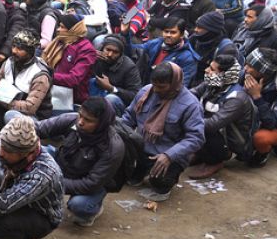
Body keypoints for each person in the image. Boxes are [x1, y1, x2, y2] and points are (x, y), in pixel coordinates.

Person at [123, 62, 204, 202]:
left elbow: (196, 138)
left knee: (160, 181)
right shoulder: (145, 92)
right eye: (154, 84)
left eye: (161, 87)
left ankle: (164, 182)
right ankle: (138, 170)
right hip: (142, 146)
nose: (155, 90)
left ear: (174, 84)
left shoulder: (190, 104)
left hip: (167, 154)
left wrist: (169, 155)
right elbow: (129, 117)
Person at [36, 97, 123, 227]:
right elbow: (38, 128)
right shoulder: (72, 119)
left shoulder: (113, 148)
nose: (80, 122)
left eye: (88, 120)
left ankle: (94, 208)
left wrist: (53, 183)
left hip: (90, 183)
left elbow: (90, 184)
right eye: (80, 115)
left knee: (78, 205)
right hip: (64, 165)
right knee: (34, 149)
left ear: (102, 123)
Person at [187, 53, 255, 178]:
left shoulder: (237, 98)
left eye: (212, 69)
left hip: (229, 139)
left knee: (202, 127)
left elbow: (214, 124)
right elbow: (191, 94)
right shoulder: (212, 84)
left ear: (225, 75)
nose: (207, 70)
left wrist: (186, 120)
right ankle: (200, 153)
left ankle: (215, 161)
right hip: (215, 129)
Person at [243, 48, 277, 167]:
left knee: (261, 138)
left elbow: (272, 122)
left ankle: (262, 153)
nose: (245, 69)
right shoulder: (247, 74)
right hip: (251, 117)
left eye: (250, 66)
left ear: (263, 72)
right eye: (246, 64)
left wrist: (257, 96)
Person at [0, 30, 52, 127]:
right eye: (13, 46)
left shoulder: (40, 74)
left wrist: (4, 101)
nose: (14, 51)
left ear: (30, 51)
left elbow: (30, 108)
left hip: (34, 118)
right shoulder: (9, 62)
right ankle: (5, 130)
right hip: (10, 103)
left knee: (11, 115)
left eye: (20, 48)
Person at [43, 14, 97, 107]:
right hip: (50, 91)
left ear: (73, 29)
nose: (58, 29)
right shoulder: (59, 42)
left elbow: (74, 79)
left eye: (62, 27)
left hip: (72, 99)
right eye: (59, 26)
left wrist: (47, 75)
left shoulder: (86, 49)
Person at [132, 17, 201, 87]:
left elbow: (182, 85)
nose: (168, 35)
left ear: (182, 35)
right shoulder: (157, 43)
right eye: (166, 31)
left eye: (173, 32)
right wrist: (125, 34)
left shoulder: (188, 58)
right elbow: (134, 50)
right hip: (146, 87)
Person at [90, 34, 141, 114]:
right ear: (102, 48)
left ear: (120, 54)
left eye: (115, 52)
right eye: (108, 50)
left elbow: (135, 95)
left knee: (111, 98)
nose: (110, 55)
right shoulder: (95, 57)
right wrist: (90, 58)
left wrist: (112, 88)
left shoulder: (129, 67)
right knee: (92, 82)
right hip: (97, 95)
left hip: (117, 101)